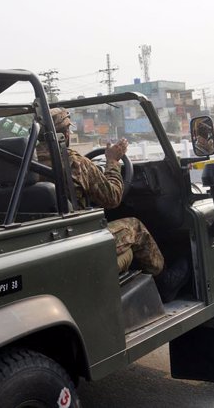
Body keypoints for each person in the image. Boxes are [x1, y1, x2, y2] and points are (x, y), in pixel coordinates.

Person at [37, 108, 188, 302]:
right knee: (135, 227)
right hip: (78, 241)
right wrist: (113, 162)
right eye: (69, 131)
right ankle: (165, 281)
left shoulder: (23, 163)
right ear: (64, 134)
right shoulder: (75, 163)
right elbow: (113, 197)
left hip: (46, 240)